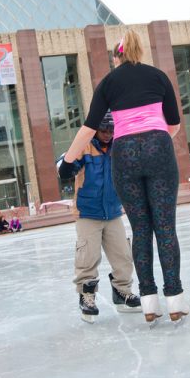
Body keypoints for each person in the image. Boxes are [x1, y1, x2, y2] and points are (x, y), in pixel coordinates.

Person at [62, 30, 186, 324]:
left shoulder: (108, 82)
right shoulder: (158, 76)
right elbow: (174, 124)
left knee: (141, 228)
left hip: (125, 152)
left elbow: (89, 127)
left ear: (115, 57)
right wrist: (156, 140)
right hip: (158, 146)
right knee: (165, 227)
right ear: (139, 52)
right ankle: (175, 299)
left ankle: (148, 303)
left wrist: (67, 161)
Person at [58, 112, 141, 323]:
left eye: (111, 130)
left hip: (113, 211)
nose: (107, 134)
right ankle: (87, 297)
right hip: (88, 212)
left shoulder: (119, 148)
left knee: (123, 254)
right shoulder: (85, 147)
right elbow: (64, 165)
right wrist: (65, 164)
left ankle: (122, 292)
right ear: (96, 129)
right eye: (104, 130)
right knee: (88, 256)